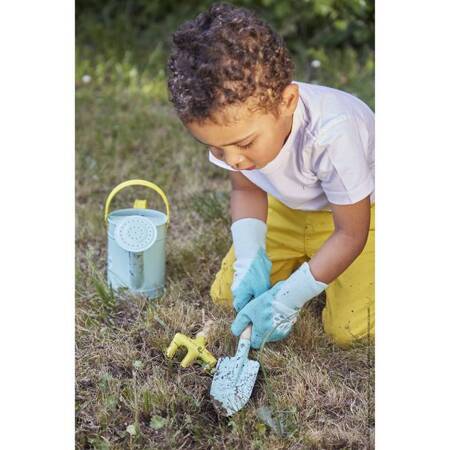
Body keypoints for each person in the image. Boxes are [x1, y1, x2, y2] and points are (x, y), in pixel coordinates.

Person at [167, 3, 374, 349]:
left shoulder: (332, 133)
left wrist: (288, 298)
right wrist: (249, 256)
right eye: (217, 149)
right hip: (289, 208)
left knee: (350, 331)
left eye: (244, 143)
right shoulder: (236, 131)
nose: (232, 158)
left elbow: (350, 234)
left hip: (358, 216)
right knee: (227, 295)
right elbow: (246, 189)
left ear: (287, 101)